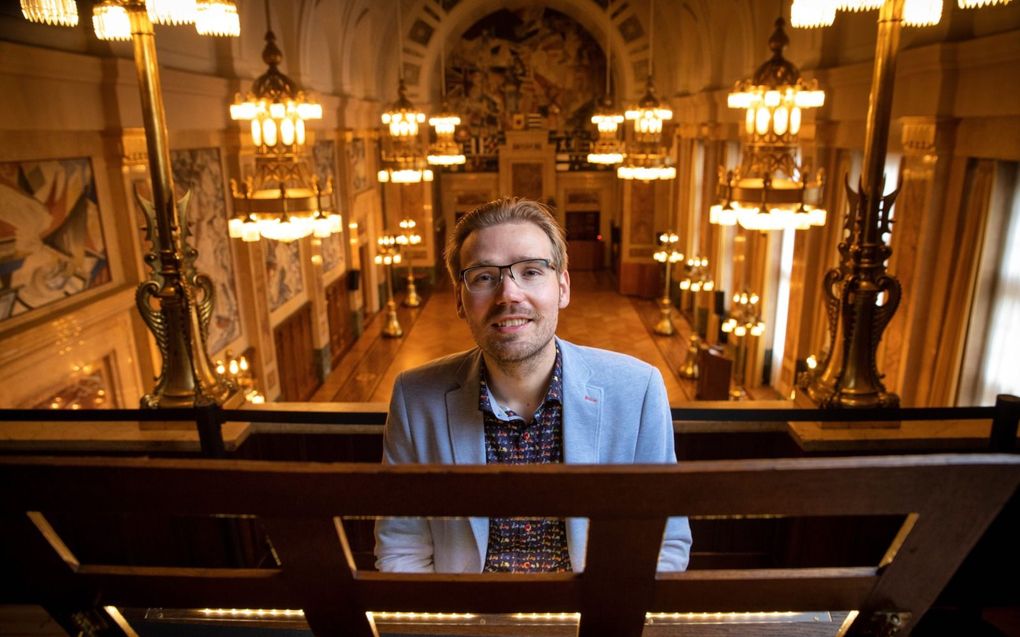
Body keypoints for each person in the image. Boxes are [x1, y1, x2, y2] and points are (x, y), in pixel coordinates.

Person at [374, 197, 692, 573]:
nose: (508, 294)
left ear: (562, 287)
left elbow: (664, 544)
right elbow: (402, 550)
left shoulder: (638, 389)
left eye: (531, 271)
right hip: (467, 623)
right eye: (484, 277)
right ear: (460, 301)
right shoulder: (416, 398)